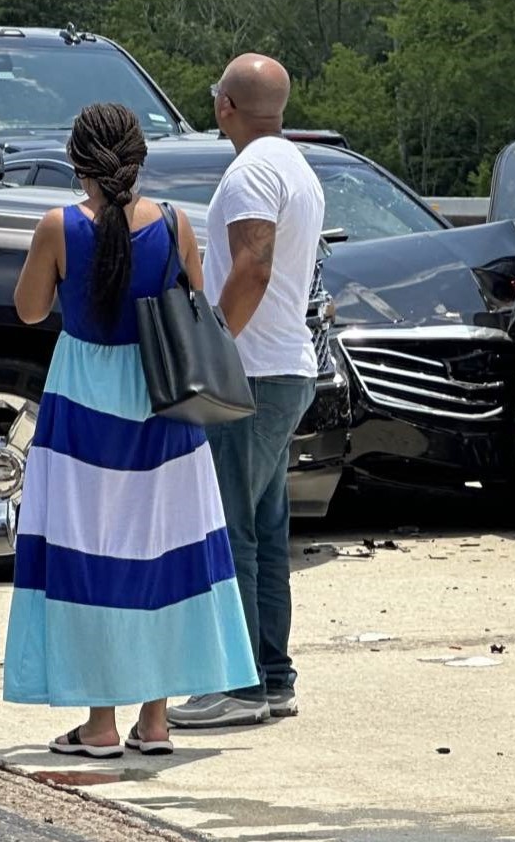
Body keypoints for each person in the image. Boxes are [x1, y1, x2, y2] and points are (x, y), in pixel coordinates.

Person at [4, 103, 257, 758]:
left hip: (85, 406)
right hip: (161, 403)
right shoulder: (174, 224)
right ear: (139, 159)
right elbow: (195, 302)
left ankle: (99, 723)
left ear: (77, 161)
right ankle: (155, 720)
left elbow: (30, 312)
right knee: (163, 551)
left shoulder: (57, 226)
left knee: (91, 556)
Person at [168, 54, 325, 730]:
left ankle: (239, 684)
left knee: (230, 527)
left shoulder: (254, 170)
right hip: (282, 367)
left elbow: (253, 265)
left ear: (225, 104)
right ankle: (272, 676)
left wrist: (214, 345)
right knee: (262, 528)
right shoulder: (295, 164)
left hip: (254, 372)